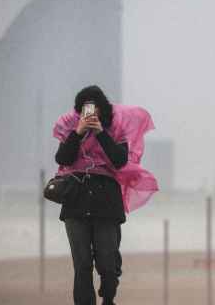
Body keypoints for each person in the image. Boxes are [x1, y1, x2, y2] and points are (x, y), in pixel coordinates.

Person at [53, 85, 158, 305]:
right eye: (84, 108)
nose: (89, 112)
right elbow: (63, 158)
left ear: (102, 109)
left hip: (106, 200)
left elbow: (119, 159)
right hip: (76, 199)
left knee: (108, 262)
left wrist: (100, 132)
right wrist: (78, 132)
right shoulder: (70, 126)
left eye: (93, 107)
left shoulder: (116, 128)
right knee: (82, 264)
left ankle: (108, 297)